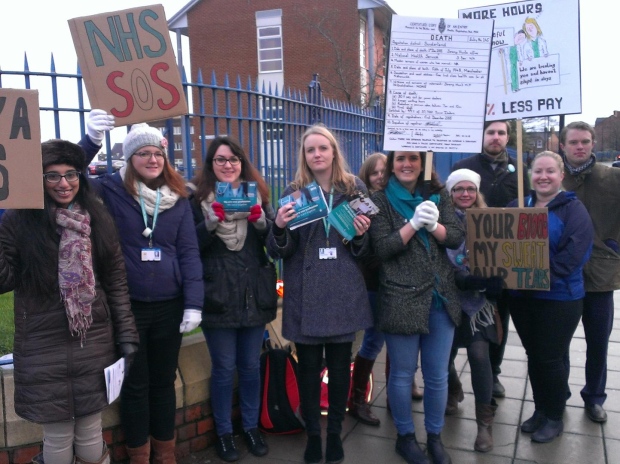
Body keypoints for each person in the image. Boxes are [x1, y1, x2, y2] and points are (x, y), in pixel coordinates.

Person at [0, 140, 139, 464]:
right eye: (52, 176)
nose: (64, 183)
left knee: (91, 430)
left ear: (81, 176)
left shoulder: (97, 217)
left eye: (70, 174)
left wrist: (127, 335)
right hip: (43, 344)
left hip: (92, 341)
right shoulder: (19, 222)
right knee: (59, 435)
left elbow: (116, 282)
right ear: (39, 180)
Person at [82, 113, 204, 464]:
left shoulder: (179, 199)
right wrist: (90, 140)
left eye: (157, 154)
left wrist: (193, 303)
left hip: (170, 306)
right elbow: (68, 176)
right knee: (135, 386)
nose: (152, 160)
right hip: (128, 306)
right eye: (143, 154)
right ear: (129, 159)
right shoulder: (109, 190)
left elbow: (189, 252)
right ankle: (139, 455)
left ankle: (165, 453)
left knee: (163, 383)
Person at [267, 125, 373, 464]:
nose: (317, 154)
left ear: (333, 151)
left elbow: (364, 249)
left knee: (342, 368)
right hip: (306, 291)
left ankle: (336, 434)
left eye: (323, 148)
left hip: (343, 288)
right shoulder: (295, 192)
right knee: (310, 368)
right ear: (304, 155)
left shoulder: (353, 187)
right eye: (311, 149)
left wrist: (359, 235)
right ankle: (314, 434)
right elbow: (279, 250)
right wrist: (280, 227)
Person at [369, 150, 464, 464]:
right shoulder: (380, 200)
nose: (406, 164)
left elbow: (456, 237)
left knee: (437, 376)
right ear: (392, 164)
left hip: (440, 297)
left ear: (424, 163)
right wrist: (412, 224)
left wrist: (436, 226)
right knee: (401, 374)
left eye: (413, 158)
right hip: (401, 297)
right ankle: (406, 437)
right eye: (400, 159)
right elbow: (381, 248)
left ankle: (435, 437)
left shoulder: (439, 195)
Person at [189, 136, 277, 462]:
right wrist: (209, 224)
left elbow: (276, 244)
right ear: (211, 165)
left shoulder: (259, 194)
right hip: (218, 296)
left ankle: (251, 427)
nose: (228, 165)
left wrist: (261, 222)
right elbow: (189, 248)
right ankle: (225, 433)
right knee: (224, 369)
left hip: (253, 294)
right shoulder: (196, 199)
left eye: (234, 159)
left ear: (242, 163)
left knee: (251, 367)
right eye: (221, 159)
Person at [507, 151, 593, 442]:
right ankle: (540, 409)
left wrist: (536, 278)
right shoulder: (518, 205)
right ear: (530, 175)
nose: (543, 177)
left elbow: (573, 257)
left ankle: (555, 416)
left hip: (560, 297)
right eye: (538, 171)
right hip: (522, 297)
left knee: (550, 358)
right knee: (534, 355)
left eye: (550, 172)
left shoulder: (573, 209)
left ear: (561, 176)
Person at [451, 120, 530, 398]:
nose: (496, 137)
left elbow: (527, 208)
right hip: (467, 258)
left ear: (508, 137)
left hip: (503, 258)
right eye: (491, 132)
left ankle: (494, 373)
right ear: (482, 136)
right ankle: (451, 379)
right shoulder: (465, 165)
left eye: (501, 133)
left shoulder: (519, 170)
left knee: (499, 320)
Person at [349, 152, 423, 427]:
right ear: (366, 177)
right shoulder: (363, 205)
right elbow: (364, 251)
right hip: (375, 283)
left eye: (384, 171)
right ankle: (357, 399)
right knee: (374, 340)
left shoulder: (397, 200)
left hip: (402, 282)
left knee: (400, 341)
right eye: (374, 173)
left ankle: (397, 396)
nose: (380, 176)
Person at [560, 121, 620, 423]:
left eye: (585, 141)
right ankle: (558, 397)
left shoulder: (613, 178)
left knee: (598, 342)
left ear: (593, 144)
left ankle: (594, 397)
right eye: (573, 142)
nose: (580, 146)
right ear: (563, 146)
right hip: (562, 275)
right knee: (558, 343)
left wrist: (616, 246)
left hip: (600, 275)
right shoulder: (552, 178)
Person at [444, 169, 504, 452]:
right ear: (450, 193)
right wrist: (464, 278)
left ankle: (484, 425)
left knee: (480, 356)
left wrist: (496, 281)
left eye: (470, 188)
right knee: (442, 357)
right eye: (458, 189)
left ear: (476, 192)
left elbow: (503, 256)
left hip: (479, 304)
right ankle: (453, 388)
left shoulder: (489, 220)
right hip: (447, 298)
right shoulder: (442, 220)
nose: (465, 194)